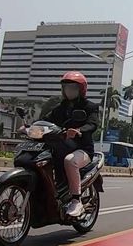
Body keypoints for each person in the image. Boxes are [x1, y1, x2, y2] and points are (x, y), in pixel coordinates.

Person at [41, 71, 100, 218]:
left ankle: (76, 200)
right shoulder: (60, 108)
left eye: (73, 88)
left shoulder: (90, 107)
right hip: (61, 146)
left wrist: (79, 130)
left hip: (82, 150)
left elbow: (92, 124)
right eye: (66, 88)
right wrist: (29, 128)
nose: (69, 91)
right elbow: (45, 120)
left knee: (70, 161)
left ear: (81, 89)